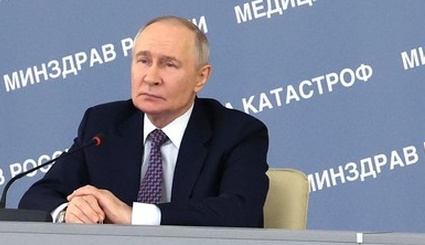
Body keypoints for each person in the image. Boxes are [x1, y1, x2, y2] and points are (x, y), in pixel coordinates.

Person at [18, 15, 269, 226]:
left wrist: (134, 216)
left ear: (200, 78)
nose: (151, 77)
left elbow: (240, 212)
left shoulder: (238, 133)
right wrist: (70, 211)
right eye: (143, 61)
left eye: (169, 64)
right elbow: (37, 197)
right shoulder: (103, 124)